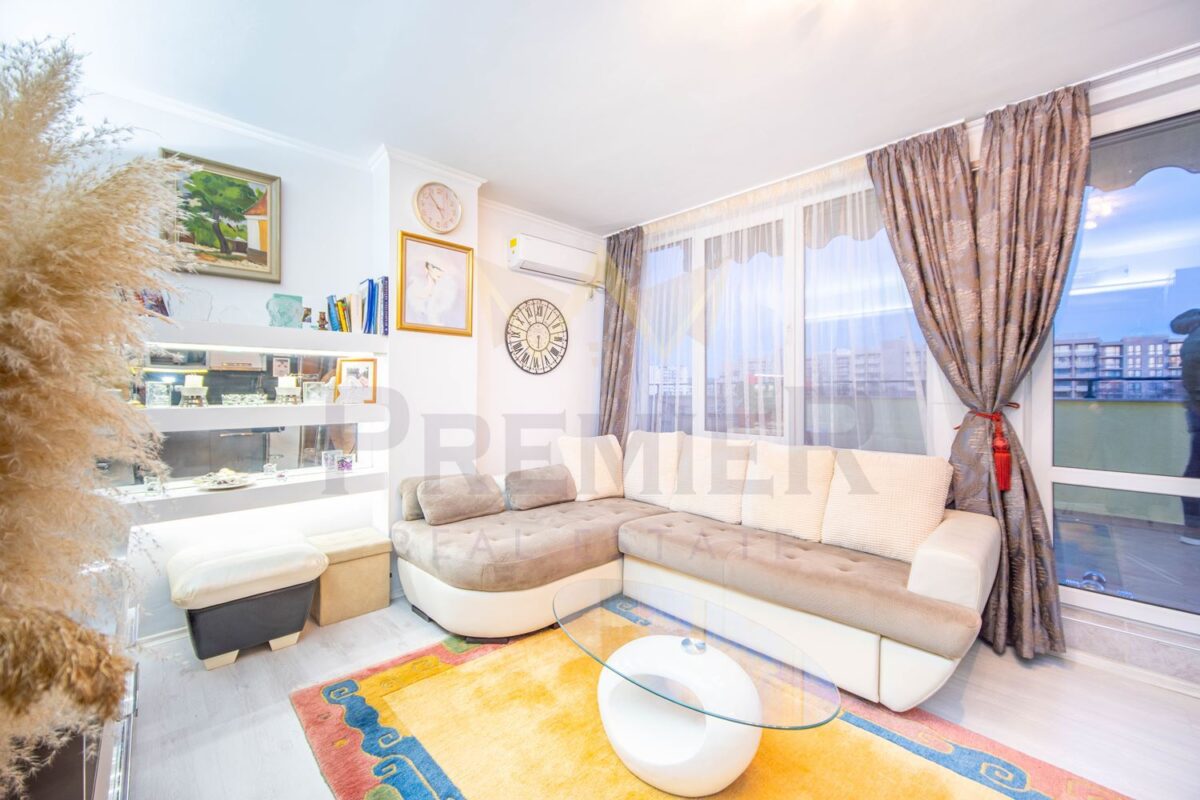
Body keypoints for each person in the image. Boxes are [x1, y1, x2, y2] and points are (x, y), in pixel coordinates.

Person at [1171, 308, 1200, 544]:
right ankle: (1194, 529)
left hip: (1195, 411)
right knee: (1195, 472)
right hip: (1197, 412)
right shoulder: (1196, 339)